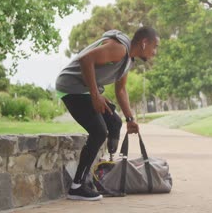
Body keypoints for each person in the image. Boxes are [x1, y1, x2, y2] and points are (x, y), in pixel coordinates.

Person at [55, 26, 160, 201]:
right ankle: (78, 186)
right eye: (154, 46)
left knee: (114, 123)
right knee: (99, 131)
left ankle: (99, 172)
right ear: (144, 43)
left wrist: (130, 119)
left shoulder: (127, 60)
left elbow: (121, 90)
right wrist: (96, 95)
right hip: (71, 87)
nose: (155, 52)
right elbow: (85, 59)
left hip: (85, 90)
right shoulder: (120, 48)